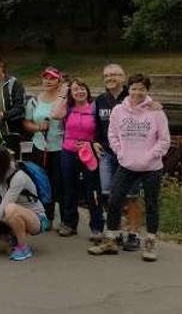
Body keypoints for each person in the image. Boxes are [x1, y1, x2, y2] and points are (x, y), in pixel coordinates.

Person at [89, 74, 170, 262]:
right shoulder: (118, 110)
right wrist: (120, 152)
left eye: (142, 89)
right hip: (126, 164)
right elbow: (112, 134)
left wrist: (147, 157)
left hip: (151, 167)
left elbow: (164, 141)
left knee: (151, 204)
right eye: (134, 88)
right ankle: (111, 239)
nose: (138, 92)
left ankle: (150, 242)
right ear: (129, 89)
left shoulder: (156, 112)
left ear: (147, 90)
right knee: (114, 200)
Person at [0, 146, 50, 261]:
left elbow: (4, 206)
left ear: (1, 164)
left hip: (37, 220)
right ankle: (13, 237)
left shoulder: (18, 178)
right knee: (1, 214)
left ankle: (23, 248)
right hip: (16, 214)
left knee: (9, 209)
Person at [95, 64, 144, 251]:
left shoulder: (134, 96)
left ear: (124, 78)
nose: (110, 78)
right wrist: (94, 141)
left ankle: (133, 234)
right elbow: (96, 126)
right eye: (106, 75)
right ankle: (114, 231)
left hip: (130, 156)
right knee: (107, 194)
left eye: (114, 74)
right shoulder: (100, 100)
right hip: (107, 154)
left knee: (131, 196)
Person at [59, 78, 104, 239]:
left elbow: (102, 129)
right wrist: (63, 95)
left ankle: (97, 226)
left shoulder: (94, 107)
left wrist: (92, 143)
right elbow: (55, 115)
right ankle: (69, 223)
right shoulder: (68, 108)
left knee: (92, 190)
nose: (79, 91)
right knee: (69, 188)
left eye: (83, 88)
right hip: (68, 152)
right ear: (71, 93)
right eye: (75, 89)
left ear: (88, 90)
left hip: (89, 152)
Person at [23, 66, 67, 223]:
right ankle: (45, 217)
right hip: (39, 147)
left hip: (60, 148)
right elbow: (27, 122)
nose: (48, 81)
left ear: (59, 80)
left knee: (60, 183)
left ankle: (66, 220)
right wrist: (38, 127)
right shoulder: (35, 100)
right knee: (41, 182)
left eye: (52, 78)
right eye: (45, 78)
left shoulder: (64, 100)